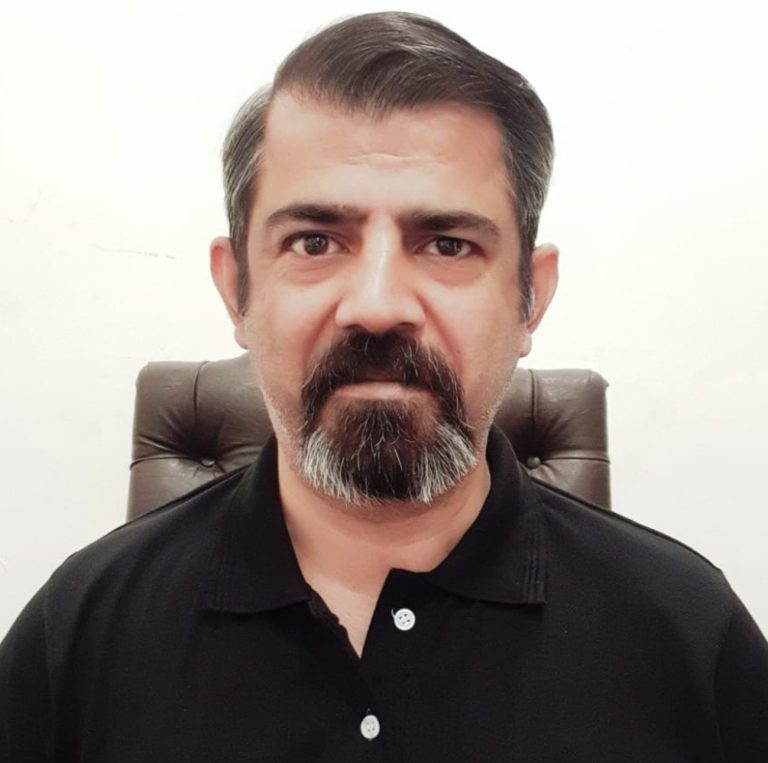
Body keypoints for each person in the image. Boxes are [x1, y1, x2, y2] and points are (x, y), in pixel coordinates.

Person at [2, 11, 767, 762]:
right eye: (314, 241)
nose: (376, 305)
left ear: (530, 297)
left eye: (446, 243)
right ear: (237, 289)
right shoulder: (73, 642)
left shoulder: (691, 640)